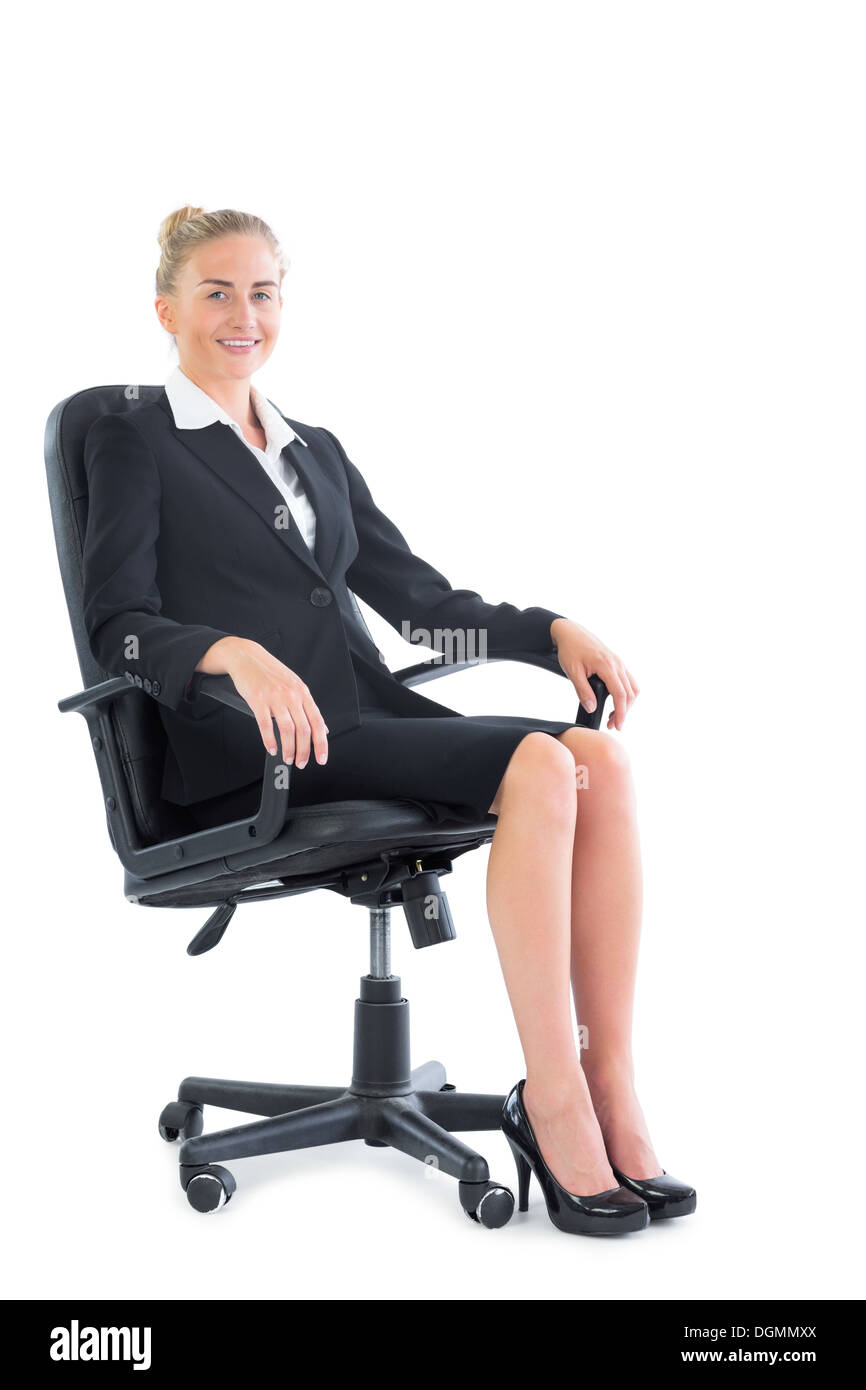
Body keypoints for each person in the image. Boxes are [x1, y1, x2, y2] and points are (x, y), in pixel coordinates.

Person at [82, 204, 695, 1237]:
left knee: (595, 755)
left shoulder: (311, 449)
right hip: (250, 748)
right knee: (545, 765)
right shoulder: (133, 434)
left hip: (361, 721)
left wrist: (544, 633)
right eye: (216, 292)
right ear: (166, 310)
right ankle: (549, 1102)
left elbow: (418, 611)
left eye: (263, 292)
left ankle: (606, 1079)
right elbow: (117, 628)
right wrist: (226, 652)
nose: (243, 314)